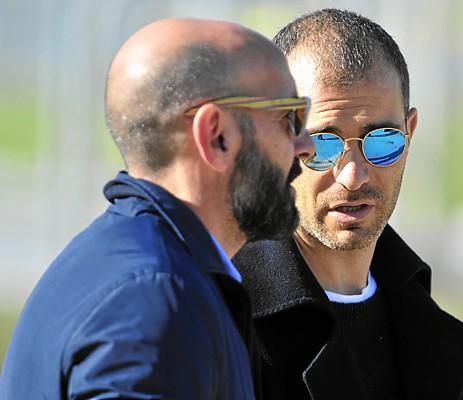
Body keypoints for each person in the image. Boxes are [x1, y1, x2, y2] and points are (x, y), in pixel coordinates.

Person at [0, 18, 313, 399]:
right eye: (289, 118)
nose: (306, 145)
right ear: (217, 135)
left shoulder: (134, 268)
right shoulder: (155, 298)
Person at [233, 9, 463, 400]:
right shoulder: (223, 321)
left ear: (410, 133)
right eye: (322, 144)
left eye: (382, 141)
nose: (353, 176)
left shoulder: (430, 335)